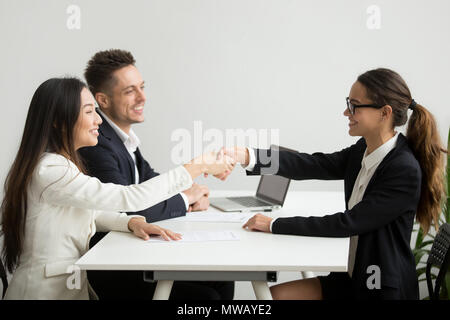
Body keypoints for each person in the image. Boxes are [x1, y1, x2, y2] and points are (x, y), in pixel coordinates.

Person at [221, 68, 447, 300]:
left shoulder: (403, 169)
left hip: (379, 287)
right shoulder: (363, 150)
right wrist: (248, 156)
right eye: (348, 103)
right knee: (272, 298)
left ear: (384, 113)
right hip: (354, 277)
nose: (346, 112)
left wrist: (274, 224)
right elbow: (312, 164)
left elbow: (347, 223)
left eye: (354, 106)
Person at [0, 77, 234, 300]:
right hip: (45, 292)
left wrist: (131, 222)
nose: (99, 120)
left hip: (67, 287)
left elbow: (90, 211)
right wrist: (198, 165)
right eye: (89, 112)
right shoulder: (51, 170)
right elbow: (129, 197)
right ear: (59, 122)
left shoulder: (60, 165)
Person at [78, 49, 235, 300]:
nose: (142, 97)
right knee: (207, 298)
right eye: (130, 91)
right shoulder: (97, 143)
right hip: (113, 265)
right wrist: (186, 199)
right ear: (103, 100)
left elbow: (151, 179)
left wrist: (193, 191)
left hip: (133, 251)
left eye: (142, 87)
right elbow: (126, 207)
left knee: (222, 277)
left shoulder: (123, 138)